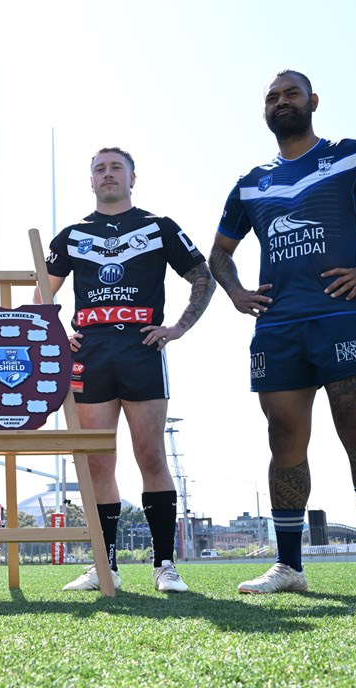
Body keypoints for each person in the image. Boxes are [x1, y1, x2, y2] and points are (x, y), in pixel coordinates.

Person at [209, 70, 356, 594]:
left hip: (343, 317)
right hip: (278, 328)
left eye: (290, 94)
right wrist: (235, 293)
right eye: (272, 98)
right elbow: (220, 256)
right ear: (265, 112)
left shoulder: (352, 155)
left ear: (313, 101)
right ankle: (290, 567)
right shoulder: (251, 182)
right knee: (284, 439)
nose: (281, 102)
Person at [36, 147, 215, 592]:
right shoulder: (72, 235)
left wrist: (177, 328)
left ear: (134, 177)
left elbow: (202, 276)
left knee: (151, 454)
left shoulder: (159, 227)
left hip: (142, 349)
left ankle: (164, 565)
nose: (108, 174)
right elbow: (42, 296)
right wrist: (59, 335)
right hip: (90, 354)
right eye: (100, 169)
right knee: (98, 461)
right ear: (90, 181)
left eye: (117, 167)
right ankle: (105, 565)